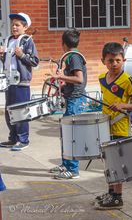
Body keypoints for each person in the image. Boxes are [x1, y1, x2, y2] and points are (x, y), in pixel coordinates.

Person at [93, 42, 132, 210]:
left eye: (118, 60)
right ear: (103, 61)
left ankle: (118, 197)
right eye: (110, 60)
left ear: (124, 60)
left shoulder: (127, 80)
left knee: (118, 163)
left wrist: (123, 106)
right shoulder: (101, 79)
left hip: (120, 126)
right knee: (108, 162)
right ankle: (110, 192)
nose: (114, 64)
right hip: (105, 126)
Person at [48, 28, 87, 179]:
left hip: (76, 101)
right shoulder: (71, 56)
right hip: (72, 98)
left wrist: (60, 76)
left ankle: (73, 170)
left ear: (63, 44)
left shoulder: (74, 57)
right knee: (66, 134)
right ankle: (66, 164)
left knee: (72, 135)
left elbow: (79, 79)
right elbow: (73, 81)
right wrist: (62, 86)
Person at [0, 12, 39, 151]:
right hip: (9, 82)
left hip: (21, 83)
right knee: (9, 111)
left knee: (21, 111)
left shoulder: (27, 41)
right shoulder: (9, 40)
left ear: (25, 27)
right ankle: (13, 138)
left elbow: (34, 61)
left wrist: (21, 55)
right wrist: (2, 55)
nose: (14, 27)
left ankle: (23, 139)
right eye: (13, 24)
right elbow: (7, 62)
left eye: (17, 25)